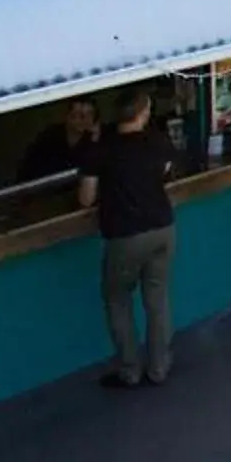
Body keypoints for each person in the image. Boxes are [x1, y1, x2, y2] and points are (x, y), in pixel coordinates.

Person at [78, 88, 180, 389]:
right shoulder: (158, 141)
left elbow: (86, 198)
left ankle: (130, 369)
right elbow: (165, 172)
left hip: (125, 234)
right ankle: (159, 366)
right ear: (144, 112)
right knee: (157, 299)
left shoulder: (102, 149)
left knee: (118, 299)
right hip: (163, 227)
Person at [16, 97, 101, 186]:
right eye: (77, 114)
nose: (84, 119)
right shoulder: (49, 138)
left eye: (90, 114)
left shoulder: (94, 141)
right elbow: (28, 173)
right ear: (67, 116)